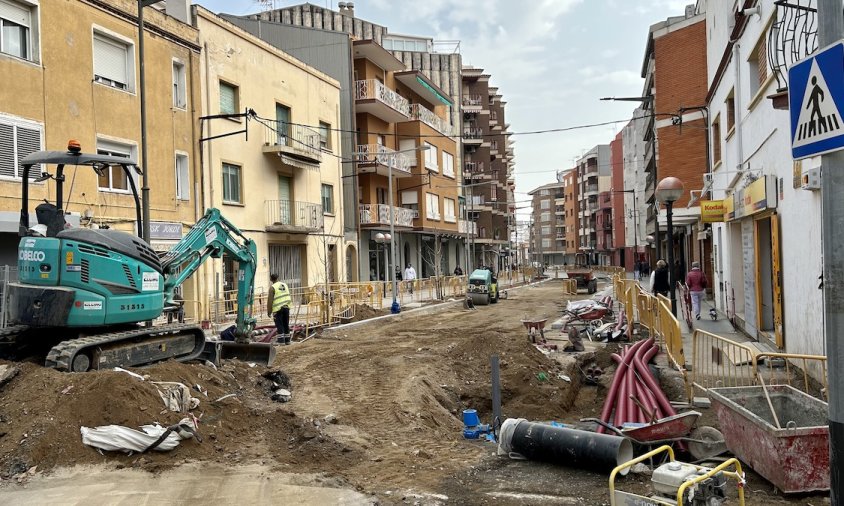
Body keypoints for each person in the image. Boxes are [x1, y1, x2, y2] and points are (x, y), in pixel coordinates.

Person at [267, 273, 292, 345]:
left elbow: (270, 301)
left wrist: (269, 311)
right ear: (278, 278)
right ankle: (288, 341)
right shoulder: (285, 285)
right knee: (286, 324)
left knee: (279, 325)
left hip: (278, 309)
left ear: (271, 279)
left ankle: (281, 341)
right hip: (286, 307)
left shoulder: (272, 287)